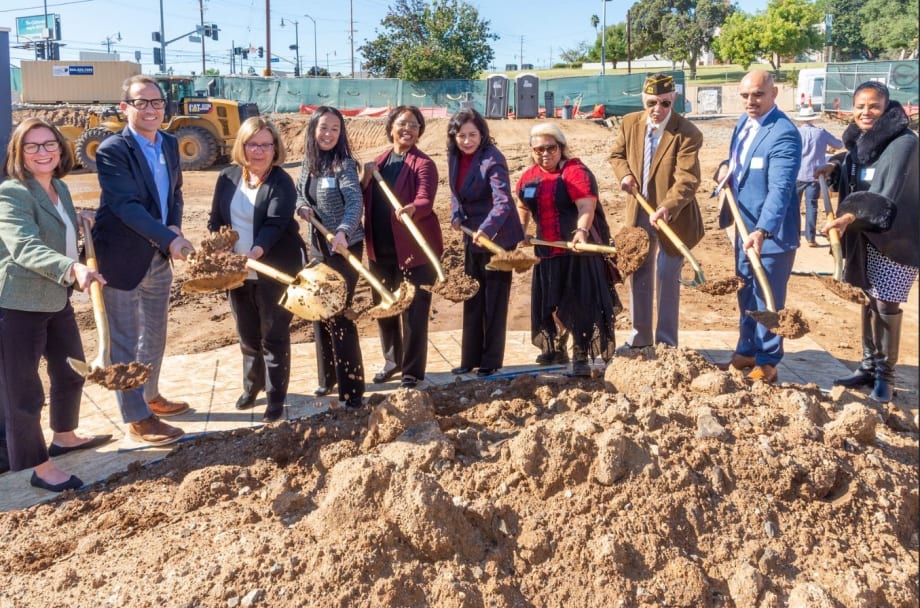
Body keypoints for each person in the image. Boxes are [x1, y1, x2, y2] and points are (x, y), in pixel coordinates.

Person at [0, 118, 112, 492]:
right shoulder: (12, 193)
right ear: (19, 153)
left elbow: (53, 226)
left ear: (60, 149)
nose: (43, 152)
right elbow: (24, 246)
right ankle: (38, 466)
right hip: (17, 304)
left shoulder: (59, 187)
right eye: (32, 146)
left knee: (69, 370)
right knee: (22, 391)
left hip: (54, 297)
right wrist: (73, 268)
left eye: (49, 144)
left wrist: (76, 221)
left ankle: (64, 436)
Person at [93, 74, 195, 445]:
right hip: (121, 255)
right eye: (141, 102)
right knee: (124, 341)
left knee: (155, 332)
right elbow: (126, 206)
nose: (150, 109)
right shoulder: (112, 150)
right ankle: (137, 418)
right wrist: (171, 240)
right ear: (125, 108)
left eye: (156, 102)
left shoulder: (168, 142)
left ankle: (149, 395)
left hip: (158, 255)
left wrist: (175, 226)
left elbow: (175, 193)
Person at [818, 81, 918, 403]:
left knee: (886, 303)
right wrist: (835, 165)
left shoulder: (904, 143)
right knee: (867, 298)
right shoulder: (862, 140)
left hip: (896, 238)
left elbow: (887, 190)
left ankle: (885, 377)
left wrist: (850, 216)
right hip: (864, 235)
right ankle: (868, 366)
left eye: (874, 106)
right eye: (860, 106)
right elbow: (855, 161)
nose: (866, 112)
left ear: (887, 107)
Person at [209, 117, 306, 422]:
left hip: (273, 268)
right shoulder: (227, 177)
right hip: (237, 272)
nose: (259, 151)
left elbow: (275, 224)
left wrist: (255, 253)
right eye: (253, 144)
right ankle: (252, 386)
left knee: (273, 335)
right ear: (242, 146)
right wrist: (220, 247)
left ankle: (276, 398)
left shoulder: (281, 181)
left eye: (266, 145)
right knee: (247, 334)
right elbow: (215, 219)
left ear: (275, 148)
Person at [715, 70, 802, 384]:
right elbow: (737, 162)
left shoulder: (784, 133)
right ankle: (747, 350)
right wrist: (725, 169)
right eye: (745, 95)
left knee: (768, 298)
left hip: (769, 236)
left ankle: (767, 361)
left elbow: (780, 189)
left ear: (774, 94)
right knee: (746, 292)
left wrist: (763, 230)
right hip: (744, 229)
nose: (750, 101)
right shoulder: (744, 123)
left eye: (758, 95)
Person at [609, 73, 704, 350]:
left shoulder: (687, 133)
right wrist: (625, 175)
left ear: (674, 99)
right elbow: (617, 155)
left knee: (666, 274)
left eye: (665, 103)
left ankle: (666, 342)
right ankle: (640, 337)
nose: (657, 109)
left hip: (674, 215)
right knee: (639, 272)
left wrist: (666, 207)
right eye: (652, 102)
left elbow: (688, 179)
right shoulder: (630, 123)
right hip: (639, 209)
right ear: (643, 100)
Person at [515, 122, 618, 376]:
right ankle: (557, 347)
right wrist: (521, 231)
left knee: (579, 305)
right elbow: (523, 206)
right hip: (547, 251)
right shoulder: (528, 177)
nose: (545, 153)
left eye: (550, 148)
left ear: (561, 147)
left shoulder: (575, 172)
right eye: (538, 149)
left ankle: (581, 355)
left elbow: (586, 206)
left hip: (577, 251)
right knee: (551, 304)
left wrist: (581, 231)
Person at [362, 105, 442, 389]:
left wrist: (412, 208)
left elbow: (426, 199)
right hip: (380, 250)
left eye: (414, 125)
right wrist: (365, 178)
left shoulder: (424, 164)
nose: (407, 129)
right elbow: (362, 196)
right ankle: (392, 361)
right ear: (391, 128)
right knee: (386, 306)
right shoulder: (378, 163)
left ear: (419, 132)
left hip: (414, 252)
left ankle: (412, 369)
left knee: (414, 312)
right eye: (402, 124)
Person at [295, 107, 365, 408]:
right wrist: (301, 208)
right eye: (324, 127)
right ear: (314, 129)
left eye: (335, 129)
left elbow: (355, 202)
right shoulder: (308, 163)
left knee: (339, 313)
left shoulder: (344, 164)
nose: (328, 134)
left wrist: (343, 231)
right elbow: (300, 194)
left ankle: (352, 388)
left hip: (344, 249)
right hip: (318, 248)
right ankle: (328, 378)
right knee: (319, 310)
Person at [447, 108, 524, 377]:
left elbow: (504, 202)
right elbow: (455, 193)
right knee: (473, 295)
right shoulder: (454, 156)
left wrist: (487, 229)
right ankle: (469, 358)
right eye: (461, 136)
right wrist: (456, 214)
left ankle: (490, 360)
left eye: (472, 135)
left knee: (494, 300)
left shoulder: (493, 158)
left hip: (498, 238)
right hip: (472, 235)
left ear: (482, 134)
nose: (467, 141)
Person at [794, 106, 842, 246]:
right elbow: (839, 145)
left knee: (794, 206)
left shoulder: (796, 133)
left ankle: (795, 235)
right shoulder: (821, 133)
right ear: (813, 119)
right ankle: (811, 238)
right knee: (812, 206)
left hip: (798, 173)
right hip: (816, 174)